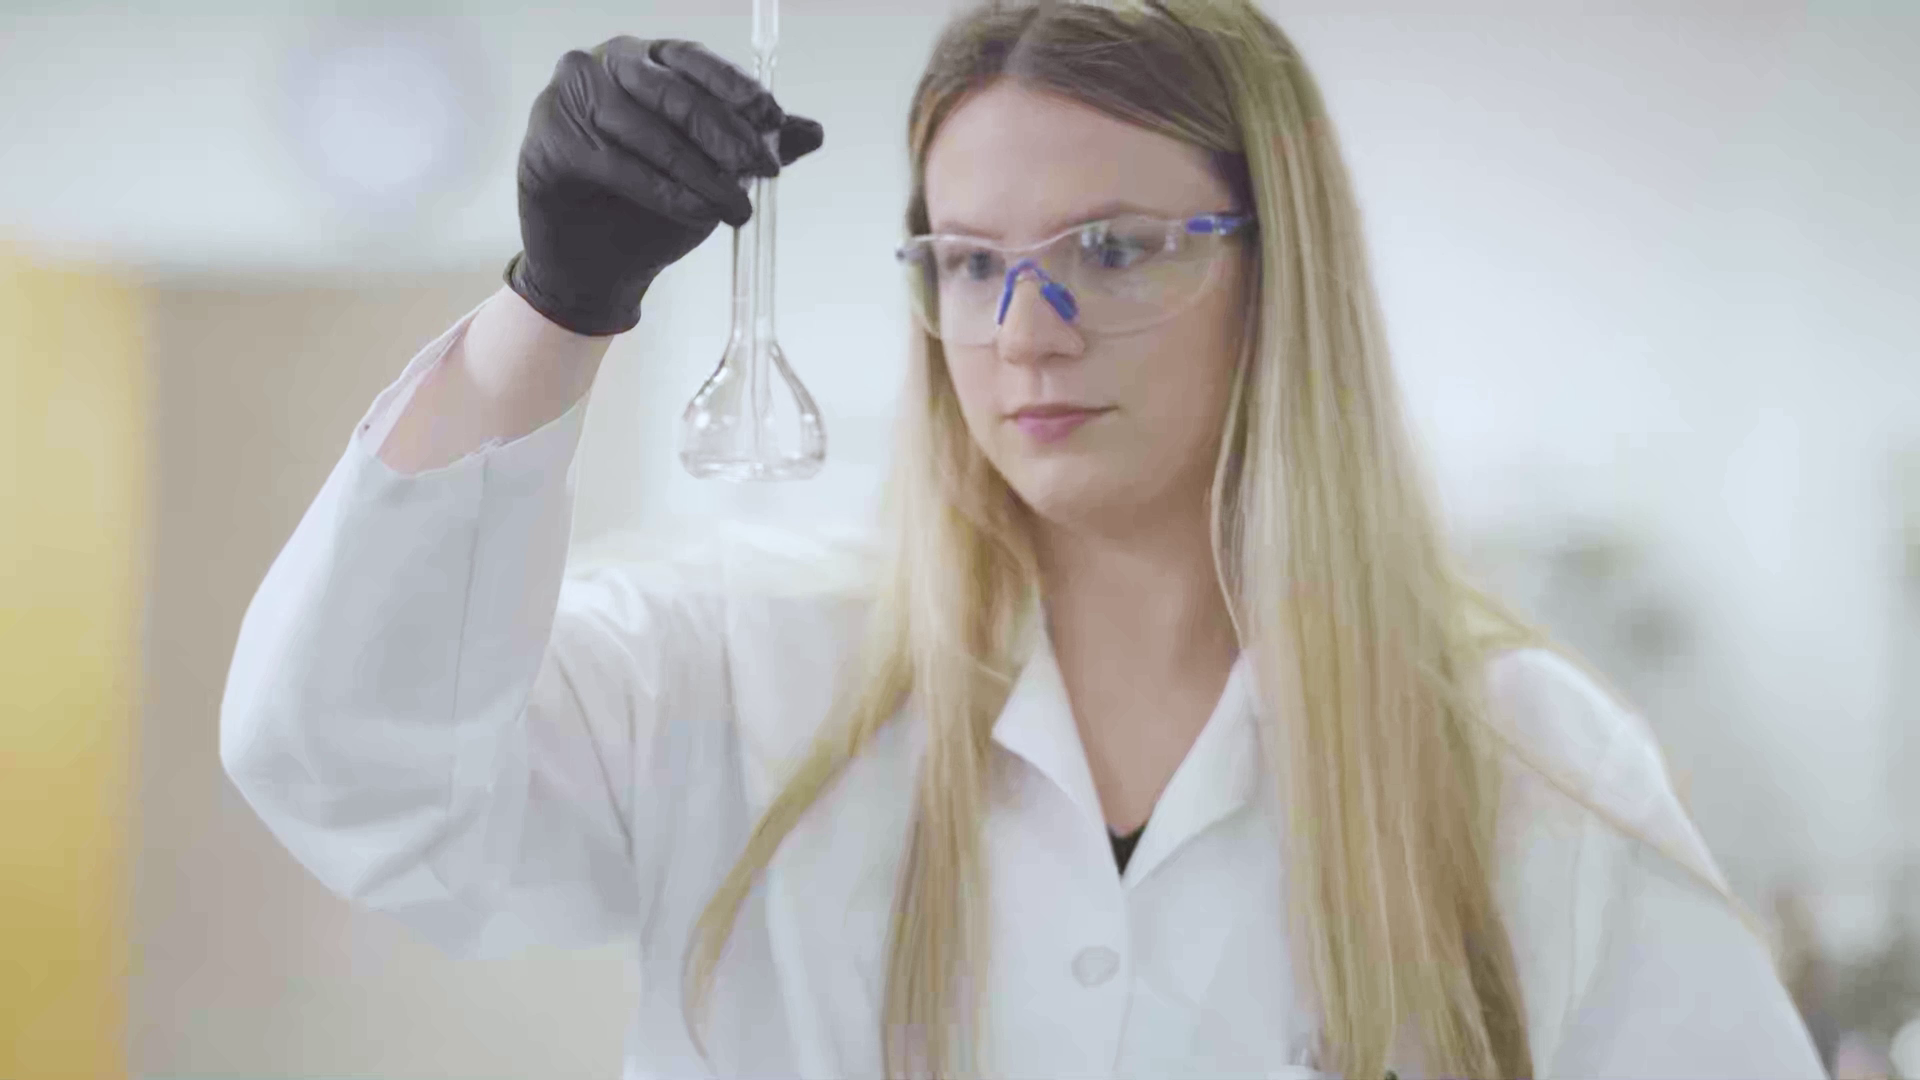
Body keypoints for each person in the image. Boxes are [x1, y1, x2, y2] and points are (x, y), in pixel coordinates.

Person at [220, 2, 1825, 1077]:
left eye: (1112, 249)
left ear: (1282, 273)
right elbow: (346, 766)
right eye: (974, 263)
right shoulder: (739, 674)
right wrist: (554, 315)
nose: (1026, 330)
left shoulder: (1528, 769)